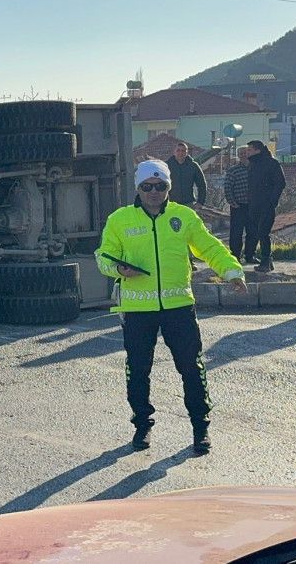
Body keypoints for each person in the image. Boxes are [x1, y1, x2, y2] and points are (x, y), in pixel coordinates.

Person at [95, 160, 246, 455]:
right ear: (137, 188)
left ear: (169, 187)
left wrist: (232, 272)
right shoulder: (120, 219)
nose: (154, 191)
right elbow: (103, 256)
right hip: (138, 310)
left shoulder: (183, 216)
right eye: (147, 186)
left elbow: (209, 247)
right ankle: (142, 425)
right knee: (138, 369)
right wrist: (117, 268)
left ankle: (200, 427)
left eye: (161, 186)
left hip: (178, 307)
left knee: (191, 367)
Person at [244, 140, 285, 273]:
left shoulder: (271, 163)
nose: (247, 152)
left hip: (266, 204)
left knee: (263, 232)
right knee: (257, 232)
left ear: (258, 150)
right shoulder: (253, 164)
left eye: (250, 150)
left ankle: (266, 260)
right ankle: (267, 261)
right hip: (254, 204)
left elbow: (280, 183)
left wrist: (272, 201)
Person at [223, 146, 257, 264]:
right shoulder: (233, 170)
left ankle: (250, 256)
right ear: (238, 155)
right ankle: (235, 256)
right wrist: (233, 203)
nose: (243, 155)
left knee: (253, 232)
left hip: (253, 207)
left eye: (245, 152)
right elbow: (227, 187)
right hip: (238, 206)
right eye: (240, 153)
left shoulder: (256, 169)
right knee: (236, 233)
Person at [166, 141, 207, 207]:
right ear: (174, 152)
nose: (180, 153)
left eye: (183, 151)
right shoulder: (167, 166)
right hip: (171, 204)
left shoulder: (193, 166)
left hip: (189, 203)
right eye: (178, 150)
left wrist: (200, 202)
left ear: (187, 152)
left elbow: (202, 184)